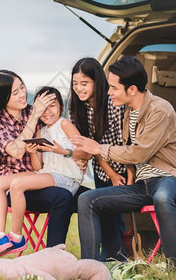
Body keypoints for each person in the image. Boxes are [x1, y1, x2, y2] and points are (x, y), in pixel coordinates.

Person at [71, 57, 176, 267]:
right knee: (87, 200)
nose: (109, 92)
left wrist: (98, 149)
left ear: (132, 89)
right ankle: (90, 268)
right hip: (143, 185)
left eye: (113, 88)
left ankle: (175, 268)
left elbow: (139, 152)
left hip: (168, 179)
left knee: (162, 197)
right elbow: (132, 153)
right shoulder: (128, 111)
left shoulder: (160, 109)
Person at [0, 71, 84, 262]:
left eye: (22, 87)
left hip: (41, 174)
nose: (22, 94)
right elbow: (16, 151)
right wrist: (34, 117)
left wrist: (74, 154)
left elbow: (57, 125)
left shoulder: (39, 111)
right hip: (19, 186)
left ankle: (55, 254)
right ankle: (1, 237)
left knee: (78, 196)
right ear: (2, 98)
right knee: (0, 182)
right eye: (15, 92)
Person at [68, 57, 130, 260]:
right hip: (102, 165)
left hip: (124, 159)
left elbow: (126, 143)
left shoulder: (113, 104)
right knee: (105, 211)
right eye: (75, 84)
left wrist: (121, 172)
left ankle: (116, 255)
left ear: (97, 81)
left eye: (84, 83)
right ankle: (114, 255)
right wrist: (109, 172)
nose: (79, 89)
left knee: (113, 211)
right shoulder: (77, 107)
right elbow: (89, 146)